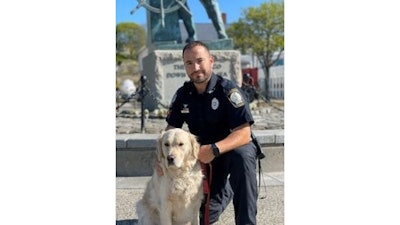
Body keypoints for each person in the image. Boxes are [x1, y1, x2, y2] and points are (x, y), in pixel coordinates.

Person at [163, 41, 258, 225]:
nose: (195, 67)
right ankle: (227, 188)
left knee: (243, 157)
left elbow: (244, 133)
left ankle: (246, 221)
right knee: (205, 218)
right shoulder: (183, 95)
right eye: (189, 63)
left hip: (230, 150)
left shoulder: (227, 91)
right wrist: (162, 155)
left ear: (211, 61)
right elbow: (170, 130)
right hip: (204, 158)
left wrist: (214, 149)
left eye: (200, 61)